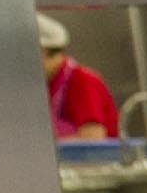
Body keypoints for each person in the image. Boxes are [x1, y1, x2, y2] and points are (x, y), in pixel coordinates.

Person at [41, 11, 121, 139]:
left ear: (46, 52)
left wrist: (46, 149)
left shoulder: (82, 81)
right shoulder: (50, 84)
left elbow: (93, 138)